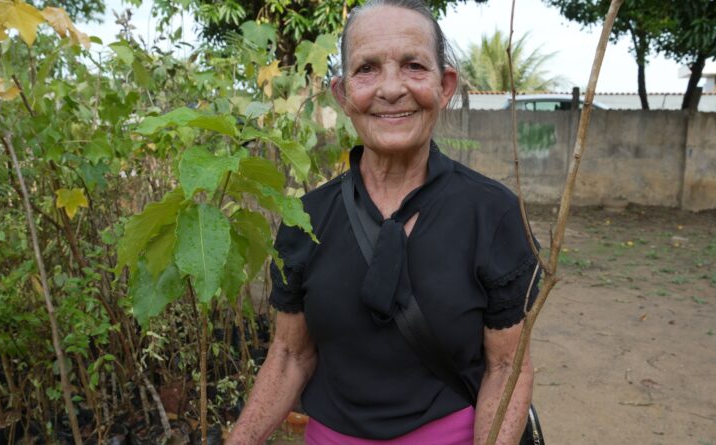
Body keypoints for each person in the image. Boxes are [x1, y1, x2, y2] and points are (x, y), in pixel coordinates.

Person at [228, 0, 540, 443]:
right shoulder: (307, 219)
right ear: (341, 94)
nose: (391, 89)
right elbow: (289, 355)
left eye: (413, 66)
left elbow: (507, 367)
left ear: (445, 85)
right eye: (367, 69)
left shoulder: (493, 215)